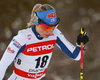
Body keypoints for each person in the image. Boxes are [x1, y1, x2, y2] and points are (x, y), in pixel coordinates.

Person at [0, 4, 89, 80]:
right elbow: (3, 65)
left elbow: (76, 56)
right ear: (37, 22)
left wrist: (79, 44)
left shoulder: (55, 34)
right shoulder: (22, 38)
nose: (50, 31)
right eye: (47, 27)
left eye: (54, 27)